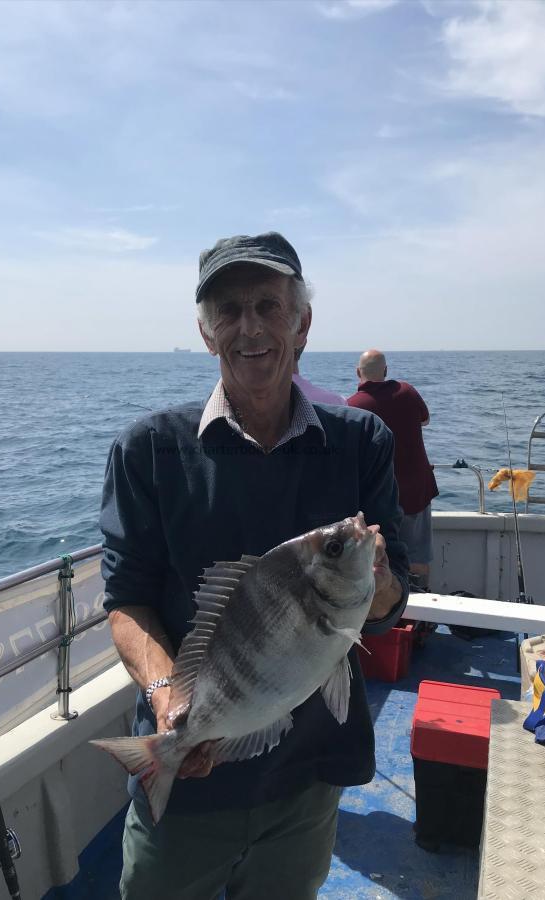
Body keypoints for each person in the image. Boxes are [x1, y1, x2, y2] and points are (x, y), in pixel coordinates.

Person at [100, 233, 409, 900]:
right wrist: (167, 699)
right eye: (228, 309)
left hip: (306, 786)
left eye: (269, 305)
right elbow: (125, 600)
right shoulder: (147, 450)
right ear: (205, 332)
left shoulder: (361, 443)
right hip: (184, 779)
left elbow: (390, 607)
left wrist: (378, 586)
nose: (250, 327)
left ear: (301, 323)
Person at [347, 349, 438, 590]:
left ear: (358, 373)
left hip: (378, 497)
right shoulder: (406, 391)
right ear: (386, 371)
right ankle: (421, 607)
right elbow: (425, 420)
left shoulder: (352, 407)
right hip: (416, 489)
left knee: (378, 560)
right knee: (418, 558)